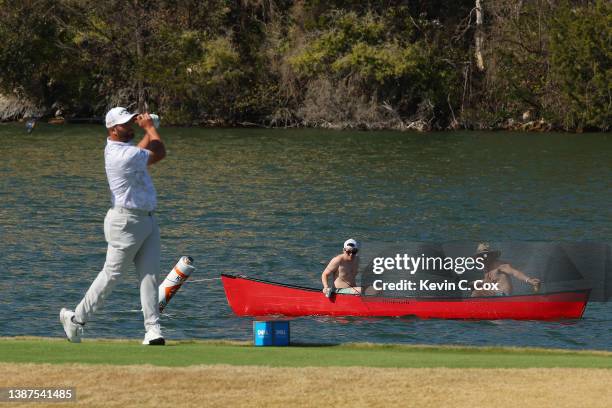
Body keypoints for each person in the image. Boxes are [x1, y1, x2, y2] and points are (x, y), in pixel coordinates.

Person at [59, 107, 167, 345]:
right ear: (112, 129)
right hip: (125, 222)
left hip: (147, 219)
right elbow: (159, 153)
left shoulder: (126, 151)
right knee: (112, 275)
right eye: (124, 125)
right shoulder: (120, 155)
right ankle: (77, 319)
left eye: (130, 122)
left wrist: (151, 130)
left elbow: (141, 152)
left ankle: (153, 330)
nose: (129, 127)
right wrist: (150, 128)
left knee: (150, 275)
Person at [471, 243, 540, 297]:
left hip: (503, 296)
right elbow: (488, 282)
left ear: (490, 255)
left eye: (485, 255)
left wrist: (529, 280)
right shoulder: (486, 268)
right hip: (493, 295)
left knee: (476, 293)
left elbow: (515, 272)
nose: (483, 258)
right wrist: (475, 283)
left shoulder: (500, 265)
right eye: (480, 256)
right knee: (476, 291)